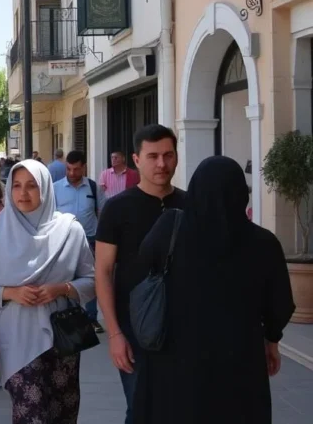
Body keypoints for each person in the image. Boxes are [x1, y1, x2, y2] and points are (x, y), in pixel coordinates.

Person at [131, 156, 295, 424]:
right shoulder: (264, 244)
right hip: (239, 360)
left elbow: (142, 266)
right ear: (242, 194)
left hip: (175, 359)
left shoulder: (168, 231)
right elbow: (280, 304)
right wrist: (271, 341)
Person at [0, 159, 96, 424]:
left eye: (32, 186)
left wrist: (62, 288)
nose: (23, 193)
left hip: (63, 339)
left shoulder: (70, 230)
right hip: (16, 338)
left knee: (62, 412)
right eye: (16, 186)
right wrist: (10, 293)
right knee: (30, 414)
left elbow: (91, 281)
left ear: (45, 188)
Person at [95, 124, 186, 424]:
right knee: (140, 407)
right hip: (134, 329)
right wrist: (115, 334)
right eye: (153, 156)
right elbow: (104, 272)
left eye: (168, 155)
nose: (161, 164)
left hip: (183, 328)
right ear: (136, 159)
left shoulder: (192, 205)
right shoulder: (117, 209)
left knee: (180, 408)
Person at [53, 150, 106, 331]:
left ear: (84, 167)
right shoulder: (55, 188)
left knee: (91, 278)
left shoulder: (93, 187)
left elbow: (103, 213)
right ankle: (69, 316)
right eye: (69, 169)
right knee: (66, 278)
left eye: (76, 169)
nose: (72, 173)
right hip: (64, 240)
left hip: (91, 239)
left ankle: (91, 317)